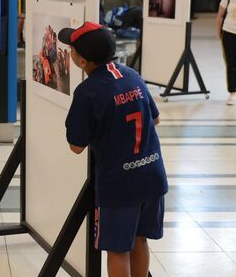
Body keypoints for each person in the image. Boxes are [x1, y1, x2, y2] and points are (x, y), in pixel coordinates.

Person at [60, 21, 167, 277]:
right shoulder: (131, 75)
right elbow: (155, 119)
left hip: (119, 185)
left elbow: (76, 146)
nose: (70, 53)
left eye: (72, 49)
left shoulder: (88, 92)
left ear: (83, 61)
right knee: (140, 240)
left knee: (117, 250)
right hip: (152, 176)